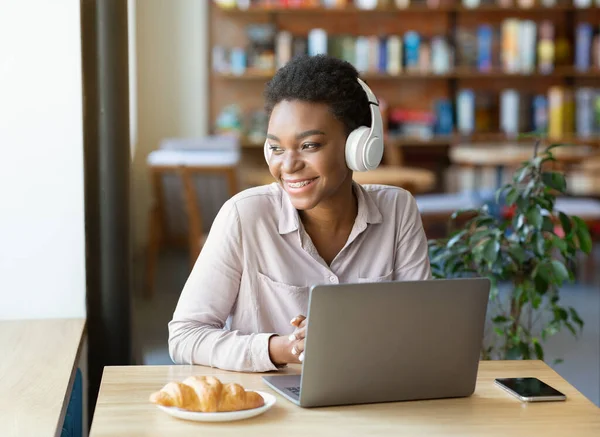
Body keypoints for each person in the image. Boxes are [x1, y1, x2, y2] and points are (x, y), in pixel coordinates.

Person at [168, 54, 431, 373]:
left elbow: (420, 330)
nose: (288, 165)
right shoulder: (245, 216)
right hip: (271, 407)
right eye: (277, 148)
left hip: (372, 398)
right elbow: (184, 336)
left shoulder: (398, 210)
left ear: (358, 146)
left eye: (309, 146)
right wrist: (286, 348)